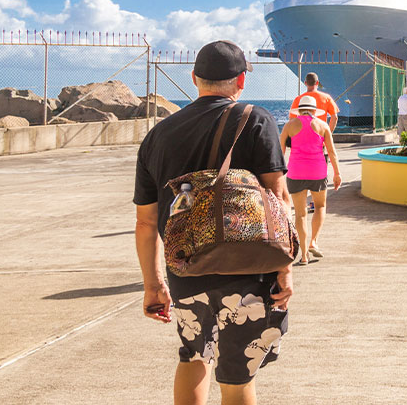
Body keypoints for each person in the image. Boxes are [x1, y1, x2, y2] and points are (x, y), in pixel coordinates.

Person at [134, 40, 292, 405]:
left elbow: (146, 222)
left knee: (193, 355)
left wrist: (154, 285)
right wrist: (284, 269)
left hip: (186, 268)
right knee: (237, 378)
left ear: (194, 79)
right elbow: (278, 199)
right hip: (249, 270)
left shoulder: (158, 135)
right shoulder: (256, 119)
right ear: (240, 81)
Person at [281, 95, 342, 262]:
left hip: (296, 172)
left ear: (299, 110)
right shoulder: (322, 125)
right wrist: (337, 174)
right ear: (315, 110)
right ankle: (313, 242)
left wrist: (278, 174)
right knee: (320, 206)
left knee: (300, 214)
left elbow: (280, 151)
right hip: (317, 171)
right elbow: (332, 152)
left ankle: (304, 256)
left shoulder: (289, 126)